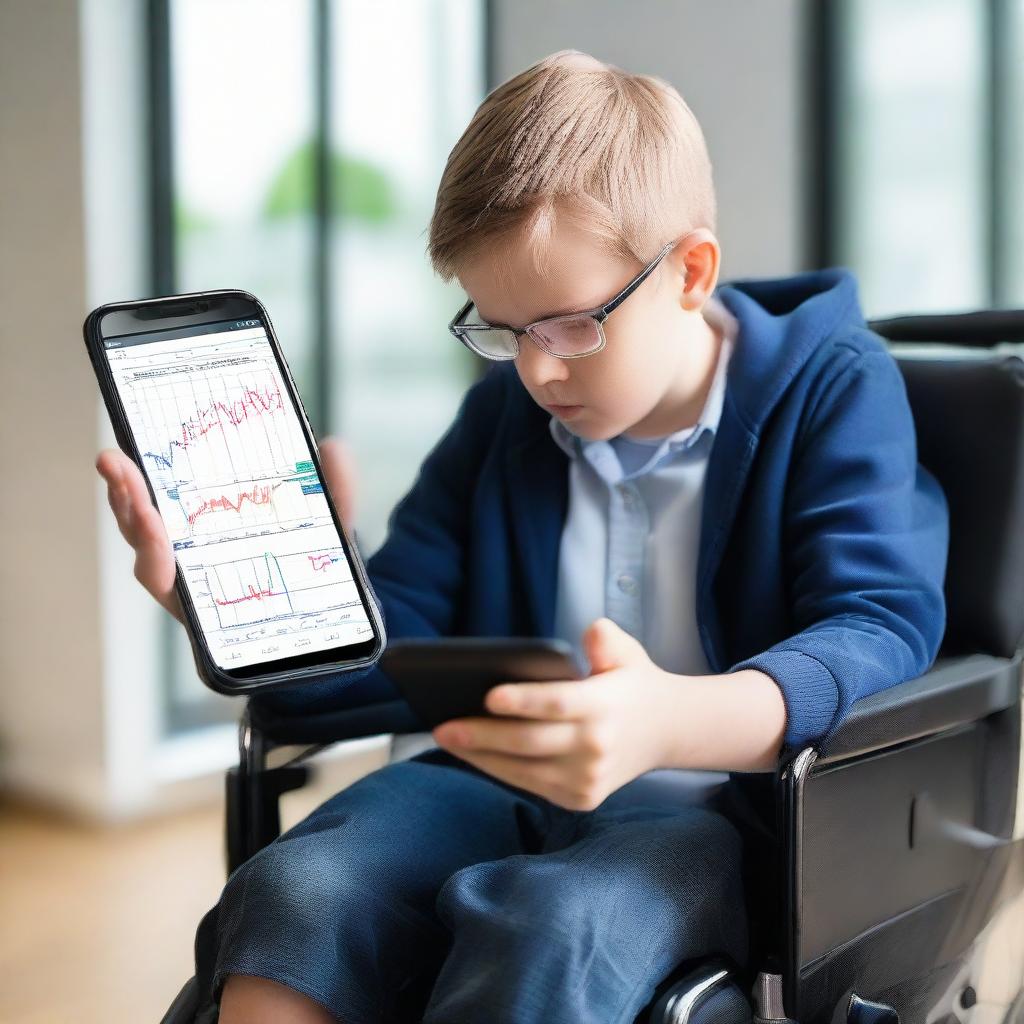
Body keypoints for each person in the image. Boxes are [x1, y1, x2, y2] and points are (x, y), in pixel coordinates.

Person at [95, 50, 949, 1024]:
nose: (536, 372)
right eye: (503, 331)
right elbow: (387, 653)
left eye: (568, 326)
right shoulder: (505, 417)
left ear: (690, 272)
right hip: (484, 777)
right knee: (302, 890)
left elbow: (876, 628)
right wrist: (255, 605)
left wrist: (665, 719)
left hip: (699, 811)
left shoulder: (831, 387)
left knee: (556, 926)